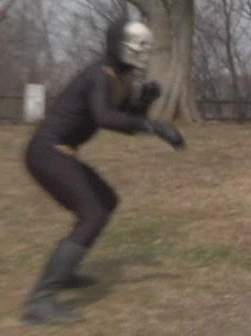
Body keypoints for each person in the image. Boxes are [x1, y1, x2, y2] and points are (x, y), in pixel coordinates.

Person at [21, 17, 186, 325]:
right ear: (119, 45)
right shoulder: (99, 75)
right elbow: (104, 118)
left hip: (59, 151)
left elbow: (122, 121)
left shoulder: (119, 78)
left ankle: (65, 272)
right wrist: (154, 126)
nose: (143, 53)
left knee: (106, 201)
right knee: (93, 213)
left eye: (146, 48)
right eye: (138, 46)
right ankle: (40, 301)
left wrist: (143, 105)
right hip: (46, 152)